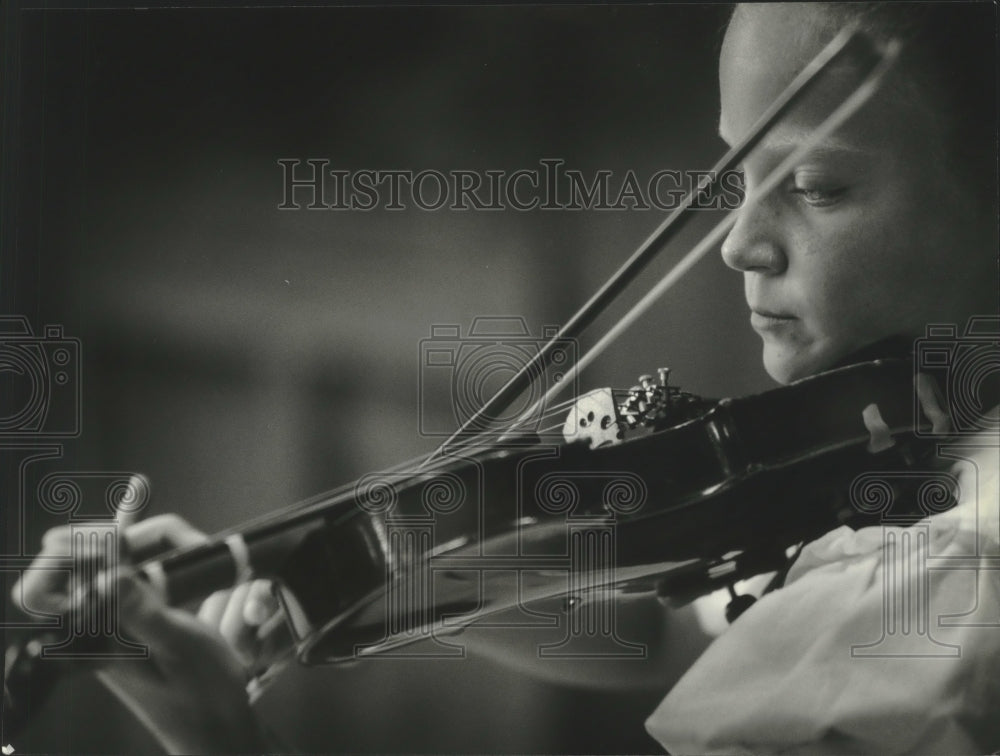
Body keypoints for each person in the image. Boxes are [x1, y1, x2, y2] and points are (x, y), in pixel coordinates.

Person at [10, 2, 999, 753]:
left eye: (816, 186)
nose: (740, 244)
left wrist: (219, 735)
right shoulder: (893, 449)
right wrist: (344, 575)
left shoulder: (945, 587)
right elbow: (666, 637)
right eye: (736, 178)